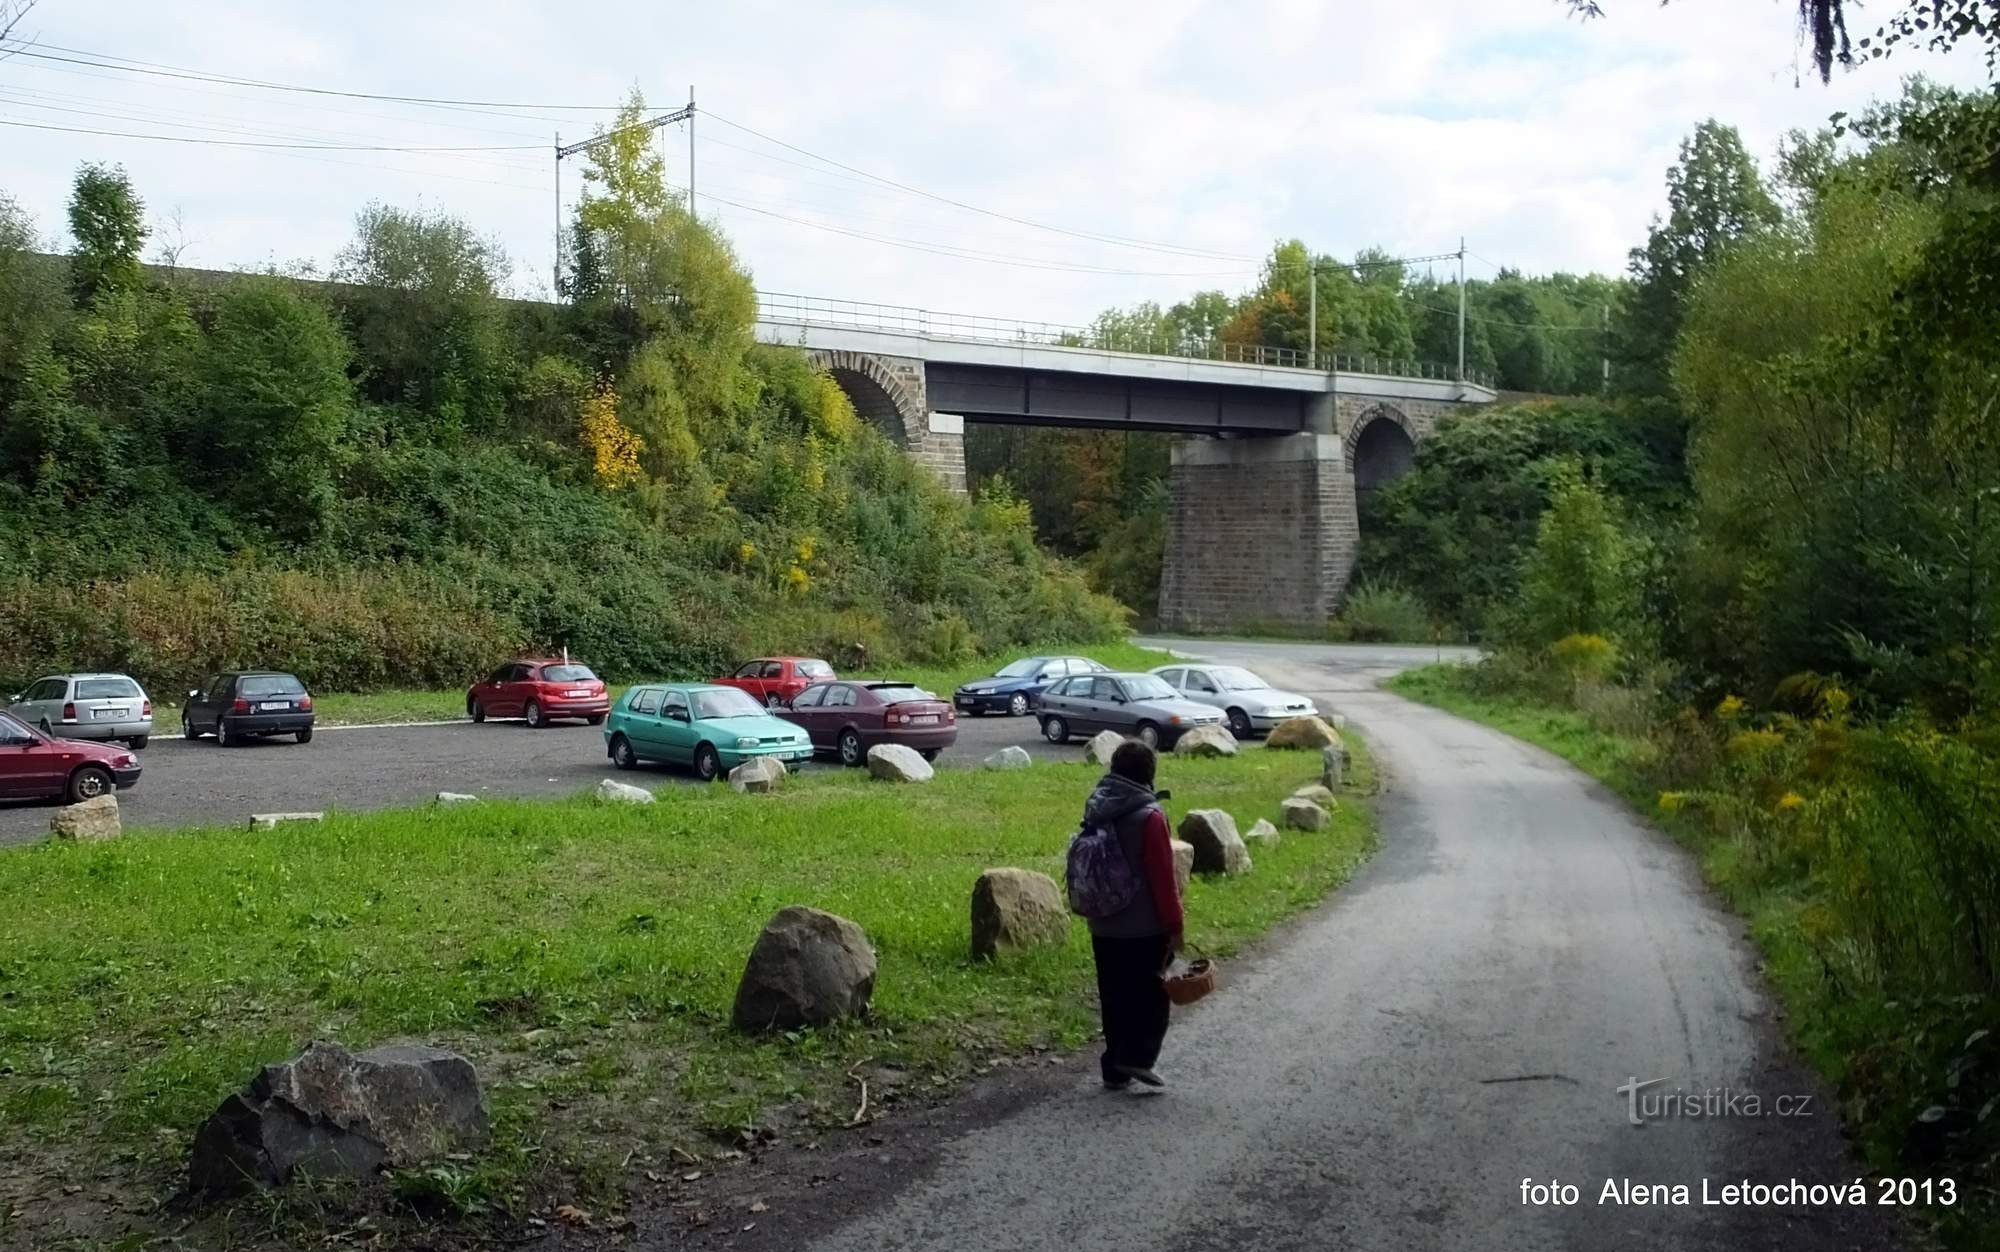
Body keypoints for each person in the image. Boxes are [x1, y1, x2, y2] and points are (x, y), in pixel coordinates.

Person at [1081, 739, 1183, 1090]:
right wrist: (1175, 926)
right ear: (1149, 773)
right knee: (1154, 996)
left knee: (1114, 996)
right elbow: (1162, 877)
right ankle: (1138, 1058)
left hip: (1103, 921)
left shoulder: (1097, 806)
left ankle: (1114, 1068)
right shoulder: (1150, 817)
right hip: (1143, 926)